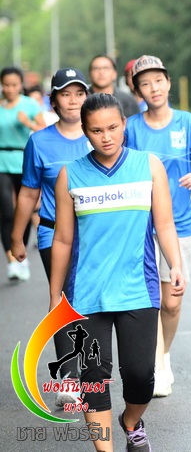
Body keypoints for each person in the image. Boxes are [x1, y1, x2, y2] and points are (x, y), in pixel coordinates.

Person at [49, 93, 185, 452]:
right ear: (85, 131)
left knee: (141, 377)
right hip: (87, 293)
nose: (106, 137)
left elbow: (164, 224)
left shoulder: (148, 165)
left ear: (124, 124)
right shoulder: (70, 175)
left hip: (138, 288)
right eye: (96, 131)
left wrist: (176, 265)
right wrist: (55, 296)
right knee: (94, 377)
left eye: (112, 127)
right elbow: (62, 239)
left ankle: (131, 422)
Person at [125, 55, 191, 398]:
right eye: (145, 84)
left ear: (168, 83)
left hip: (180, 226)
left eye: (158, 81)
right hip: (142, 226)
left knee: (172, 302)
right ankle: (158, 368)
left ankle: (164, 354)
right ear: (138, 91)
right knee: (153, 301)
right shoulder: (131, 127)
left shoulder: (186, 122)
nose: (154, 88)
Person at [11, 68, 90, 406]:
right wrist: (17, 237)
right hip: (52, 232)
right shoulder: (39, 141)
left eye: (79, 93)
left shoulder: (100, 135)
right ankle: (68, 379)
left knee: (89, 301)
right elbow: (29, 192)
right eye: (65, 94)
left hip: (95, 233)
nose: (73, 101)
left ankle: (90, 369)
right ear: (53, 101)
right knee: (62, 299)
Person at [1, 66, 45, 281]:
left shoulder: (29, 105)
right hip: (1, 162)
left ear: (21, 85)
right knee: (6, 213)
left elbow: (44, 130)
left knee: (23, 211)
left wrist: (27, 122)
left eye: (14, 85)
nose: (10, 89)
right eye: (6, 85)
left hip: (23, 161)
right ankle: (11, 261)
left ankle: (21, 255)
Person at [87, 54, 141, 118]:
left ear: (115, 74)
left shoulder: (128, 101)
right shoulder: (82, 99)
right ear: (89, 74)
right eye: (96, 68)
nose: (101, 72)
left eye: (106, 68)